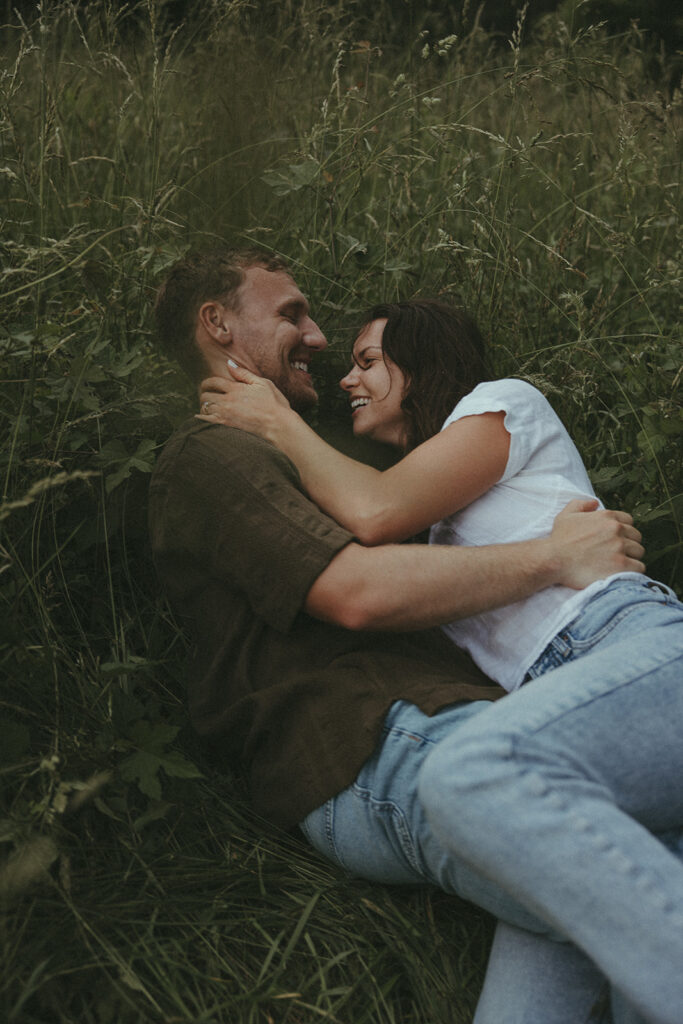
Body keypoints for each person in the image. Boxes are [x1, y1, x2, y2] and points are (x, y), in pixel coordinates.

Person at [148, 247, 681, 1024]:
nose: (327, 349)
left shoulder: (497, 409)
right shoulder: (215, 453)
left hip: (616, 652)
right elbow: (361, 575)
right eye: (292, 312)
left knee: (542, 831)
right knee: (577, 866)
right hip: (440, 722)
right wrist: (551, 556)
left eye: (367, 357)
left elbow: (375, 517)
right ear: (217, 325)